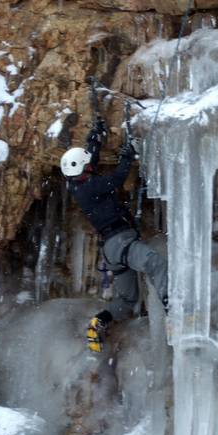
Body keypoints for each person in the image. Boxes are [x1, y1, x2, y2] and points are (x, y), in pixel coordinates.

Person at [60, 117, 168, 353]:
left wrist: (95, 139)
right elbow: (116, 180)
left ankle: (99, 321)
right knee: (154, 262)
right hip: (122, 241)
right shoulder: (91, 185)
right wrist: (126, 158)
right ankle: (173, 311)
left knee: (128, 300)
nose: (90, 165)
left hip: (111, 249)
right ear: (83, 168)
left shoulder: (78, 185)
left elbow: (90, 162)